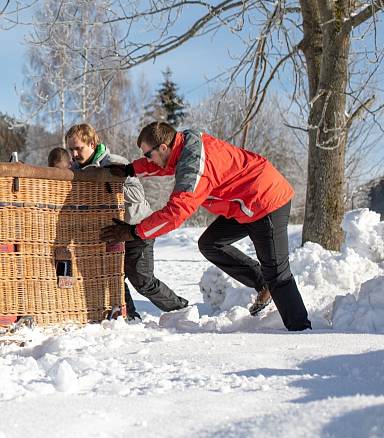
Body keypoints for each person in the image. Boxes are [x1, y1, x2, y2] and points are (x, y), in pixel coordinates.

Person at [100, 121, 311, 331]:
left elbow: (176, 212)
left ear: (163, 147)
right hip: (245, 203)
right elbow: (163, 164)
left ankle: (300, 328)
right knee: (211, 243)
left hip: (266, 200)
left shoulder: (194, 166)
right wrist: (130, 169)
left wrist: (134, 231)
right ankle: (262, 283)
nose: (148, 159)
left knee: (277, 273)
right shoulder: (183, 146)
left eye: (148, 154)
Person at [66, 124, 189, 320]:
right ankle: (129, 316)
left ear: (92, 143)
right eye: (70, 149)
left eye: (78, 148)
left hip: (138, 227)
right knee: (113, 276)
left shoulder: (115, 163)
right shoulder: (75, 170)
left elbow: (137, 194)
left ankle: (181, 310)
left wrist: (110, 185)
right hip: (113, 231)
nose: (73, 153)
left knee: (142, 280)